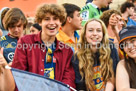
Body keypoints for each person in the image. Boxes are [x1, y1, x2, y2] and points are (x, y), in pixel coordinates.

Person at [0, 3, 75, 90]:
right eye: (47, 19)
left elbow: (69, 81)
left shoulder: (67, 50)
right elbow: (19, 76)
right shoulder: (25, 43)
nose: (52, 23)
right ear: (40, 22)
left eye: (55, 19)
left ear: (60, 22)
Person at [72, 18, 119, 91]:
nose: (95, 33)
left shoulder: (110, 48)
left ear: (103, 34)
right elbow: (80, 86)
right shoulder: (77, 56)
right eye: (90, 30)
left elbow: (112, 80)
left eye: (99, 30)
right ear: (85, 34)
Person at [116, 26, 136, 90]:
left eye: (132, 41)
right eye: (125, 44)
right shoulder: (123, 64)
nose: (130, 47)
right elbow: (122, 89)